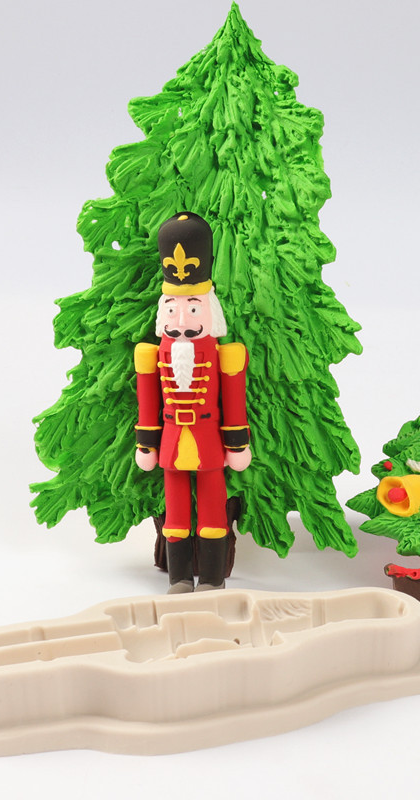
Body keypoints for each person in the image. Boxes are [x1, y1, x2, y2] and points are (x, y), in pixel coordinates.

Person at [134, 212, 251, 593]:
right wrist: (146, 443)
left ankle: (213, 578)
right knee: (176, 512)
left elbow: (233, 400)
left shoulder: (224, 353)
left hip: (209, 440)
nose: (181, 318)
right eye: (173, 308)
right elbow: (148, 401)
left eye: (193, 309)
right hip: (171, 440)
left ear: (209, 310)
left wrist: (237, 443)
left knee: (213, 509)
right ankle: (180, 577)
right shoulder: (152, 354)